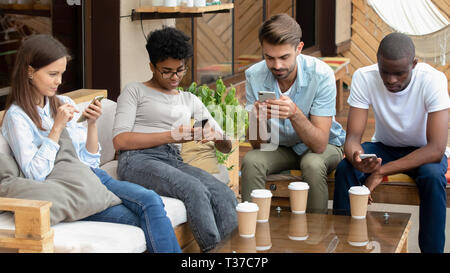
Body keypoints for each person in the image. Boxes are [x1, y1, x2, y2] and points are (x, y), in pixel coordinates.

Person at [1, 34, 181, 253]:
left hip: (92, 178)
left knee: (151, 202)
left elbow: (89, 161)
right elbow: (35, 174)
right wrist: (56, 128)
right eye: (52, 74)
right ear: (30, 72)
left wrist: (92, 124)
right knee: (146, 211)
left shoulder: (63, 102)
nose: (59, 81)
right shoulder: (17, 117)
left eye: (61, 74)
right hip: (70, 190)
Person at [112, 27, 238, 252]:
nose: (175, 77)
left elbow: (226, 146)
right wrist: (172, 135)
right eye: (166, 71)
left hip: (171, 160)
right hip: (137, 160)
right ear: (152, 67)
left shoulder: (189, 100)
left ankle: (233, 252)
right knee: (194, 189)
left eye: (180, 70)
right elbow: (120, 141)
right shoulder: (135, 91)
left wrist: (218, 137)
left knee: (223, 193)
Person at [332, 33, 449, 253]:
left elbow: (436, 149)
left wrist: (380, 172)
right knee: (346, 168)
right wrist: (357, 158)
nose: (391, 79)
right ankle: (346, 245)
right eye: (385, 71)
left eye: (399, 73)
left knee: (433, 177)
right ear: (377, 61)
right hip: (384, 146)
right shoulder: (364, 77)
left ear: (414, 64)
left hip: (422, 151)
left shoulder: (433, 80)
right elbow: (352, 140)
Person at [241, 14, 346, 213]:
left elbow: (319, 144)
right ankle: (252, 230)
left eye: (284, 57)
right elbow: (258, 145)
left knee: (312, 164)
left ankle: (315, 236)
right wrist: (256, 121)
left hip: (323, 146)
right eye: (269, 57)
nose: (277, 66)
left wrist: (295, 114)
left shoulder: (321, 75)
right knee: (251, 160)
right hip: (280, 146)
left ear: (299, 49)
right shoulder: (254, 75)